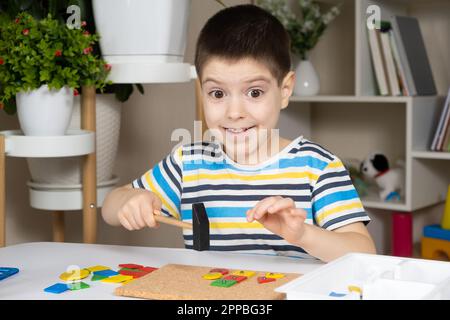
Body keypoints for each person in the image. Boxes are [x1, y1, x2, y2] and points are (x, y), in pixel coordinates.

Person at [102, 4, 376, 262]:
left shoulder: (318, 166)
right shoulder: (189, 163)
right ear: (202, 92)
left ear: (285, 90)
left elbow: (363, 253)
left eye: (254, 92)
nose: (234, 112)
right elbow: (110, 206)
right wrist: (129, 201)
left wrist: (302, 234)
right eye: (218, 93)